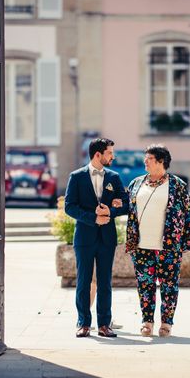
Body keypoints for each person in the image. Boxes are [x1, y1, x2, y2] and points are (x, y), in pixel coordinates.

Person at [123, 144, 190, 337]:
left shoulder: (177, 185)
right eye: (145, 158)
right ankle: (147, 321)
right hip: (140, 244)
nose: (145, 161)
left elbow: (188, 214)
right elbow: (126, 207)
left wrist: (186, 241)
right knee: (144, 285)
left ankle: (166, 323)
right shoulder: (136, 183)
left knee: (169, 285)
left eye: (149, 159)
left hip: (169, 246)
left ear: (161, 161)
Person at [64, 138, 128, 337]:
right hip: (84, 237)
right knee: (83, 280)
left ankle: (104, 324)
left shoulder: (115, 177)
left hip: (107, 238)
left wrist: (110, 212)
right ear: (98, 154)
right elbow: (69, 206)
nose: (113, 156)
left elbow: (126, 204)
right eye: (110, 153)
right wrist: (93, 218)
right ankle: (83, 323)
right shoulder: (76, 177)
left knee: (105, 281)